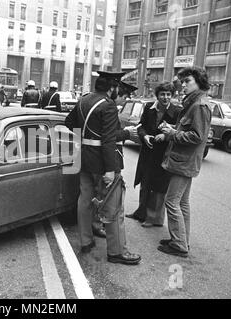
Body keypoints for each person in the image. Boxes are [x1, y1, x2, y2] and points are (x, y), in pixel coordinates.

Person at [65, 71, 141, 265]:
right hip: (102, 163)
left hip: (84, 159)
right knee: (114, 208)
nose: (118, 91)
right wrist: (110, 169)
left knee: (85, 202)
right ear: (112, 88)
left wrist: (86, 141)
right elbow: (108, 140)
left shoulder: (84, 100)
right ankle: (116, 252)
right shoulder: (107, 105)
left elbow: (69, 123)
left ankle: (85, 242)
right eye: (118, 88)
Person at [157, 66, 212, 257]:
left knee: (171, 202)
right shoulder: (193, 103)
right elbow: (190, 130)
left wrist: (173, 133)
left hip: (184, 162)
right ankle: (181, 240)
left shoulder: (199, 106)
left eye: (188, 81)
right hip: (183, 161)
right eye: (183, 82)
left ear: (199, 82)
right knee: (182, 203)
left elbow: (197, 136)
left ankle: (179, 245)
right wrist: (173, 128)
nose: (183, 86)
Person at [126, 82, 182, 227]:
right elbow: (141, 126)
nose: (165, 97)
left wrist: (166, 136)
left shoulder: (176, 111)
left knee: (159, 186)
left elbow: (179, 132)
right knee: (145, 182)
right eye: (162, 94)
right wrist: (144, 136)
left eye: (168, 94)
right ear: (157, 96)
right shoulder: (149, 107)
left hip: (164, 153)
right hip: (148, 151)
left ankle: (154, 218)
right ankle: (141, 212)